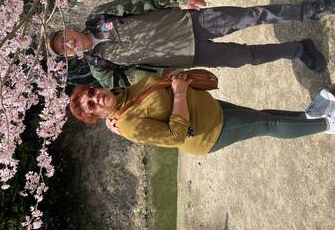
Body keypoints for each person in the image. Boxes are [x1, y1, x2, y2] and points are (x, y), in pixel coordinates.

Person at [47, 0, 335, 88]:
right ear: (71, 57)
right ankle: (298, 49)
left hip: (190, 23)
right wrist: (164, 74)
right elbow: (133, 84)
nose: (70, 44)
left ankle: (311, 10)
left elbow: (140, 2)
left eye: (65, 38)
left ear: (68, 30)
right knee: (247, 57)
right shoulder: (100, 67)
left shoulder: (99, 16)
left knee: (253, 15)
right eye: (66, 50)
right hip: (188, 57)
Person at [69, 73, 335, 155]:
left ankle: (310, 117)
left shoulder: (122, 93)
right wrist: (181, 93)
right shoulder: (128, 125)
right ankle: (326, 124)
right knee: (267, 124)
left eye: (91, 92)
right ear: (95, 116)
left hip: (209, 108)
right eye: (91, 105)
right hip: (207, 132)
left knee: (263, 114)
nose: (95, 97)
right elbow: (175, 135)